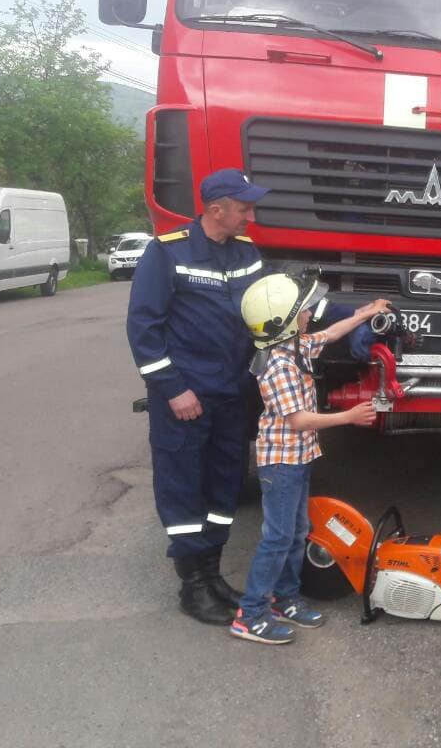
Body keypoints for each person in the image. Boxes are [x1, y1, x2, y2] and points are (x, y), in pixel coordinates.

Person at [126, 168, 275, 624]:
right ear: (216, 210)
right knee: (183, 488)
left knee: (224, 485)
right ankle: (192, 587)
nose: (251, 214)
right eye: (244, 207)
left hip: (232, 395)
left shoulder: (247, 255)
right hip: (187, 398)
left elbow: (273, 305)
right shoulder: (167, 252)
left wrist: (353, 313)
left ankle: (212, 575)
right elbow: (143, 328)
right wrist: (172, 389)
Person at [229, 273, 388, 644]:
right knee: (278, 537)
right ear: (281, 322)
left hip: (299, 457)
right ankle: (251, 614)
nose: (309, 315)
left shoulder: (295, 347)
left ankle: (285, 598)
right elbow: (298, 420)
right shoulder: (276, 365)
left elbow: (331, 334)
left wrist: (366, 313)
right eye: (301, 311)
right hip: (281, 462)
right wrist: (347, 418)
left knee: (297, 532)